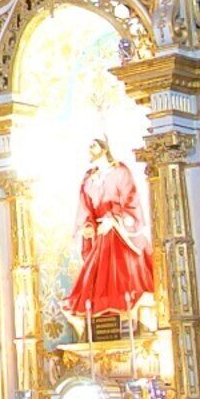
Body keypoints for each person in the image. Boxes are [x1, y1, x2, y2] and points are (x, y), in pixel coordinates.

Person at [66, 135, 155, 323]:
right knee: (96, 283)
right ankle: (107, 323)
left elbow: (131, 201)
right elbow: (86, 208)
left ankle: (130, 321)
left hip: (121, 235)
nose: (89, 150)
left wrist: (114, 220)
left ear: (104, 148)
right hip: (101, 237)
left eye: (93, 145)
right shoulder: (89, 179)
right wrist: (88, 226)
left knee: (124, 278)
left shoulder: (120, 172)